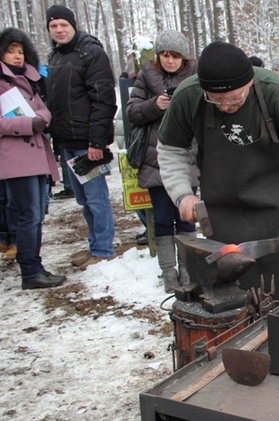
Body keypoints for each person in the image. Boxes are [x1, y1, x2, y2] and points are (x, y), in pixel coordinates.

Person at [157, 41, 279, 300]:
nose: (225, 106)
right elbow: (170, 149)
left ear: (250, 83)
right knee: (230, 298)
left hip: (278, 213)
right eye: (215, 99)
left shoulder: (278, 94)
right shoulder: (188, 97)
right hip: (221, 215)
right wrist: (182, 194)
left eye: (234, 98)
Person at [126, 30, 199, 292]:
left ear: (183, 58)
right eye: (165, 55)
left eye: (175, 56)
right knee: (162, 219)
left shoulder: (195, 78)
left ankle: (189, 272)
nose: (169, 60)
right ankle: (169, 273)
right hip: (153, 158)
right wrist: (154, 105)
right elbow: (132, 112)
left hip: (186, 158)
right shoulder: (145, 77)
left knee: (188, 216)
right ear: (158, 55)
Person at [45, 5, 117, 270]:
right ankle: (94, 244)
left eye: (64, 24)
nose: (59, 30)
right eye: (54, 26)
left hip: (88, 145)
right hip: (66, 142)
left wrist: (96, 142)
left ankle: (104, 248)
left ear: (73, 25)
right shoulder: (56, 57)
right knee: (83, 200)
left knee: (97, 198)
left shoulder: (91, 53)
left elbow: (103, 100)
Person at [0, 28, 66, 289]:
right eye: (10, 51)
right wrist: (29, 123)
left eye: (20, 52)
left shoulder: (29, 81)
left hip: (37, 154)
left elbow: (43, 109)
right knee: (28, 214)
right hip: (15, 160)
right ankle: (29, 271)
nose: (17, 57)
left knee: (36, 214)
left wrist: (41, 120)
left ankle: (35, 265)